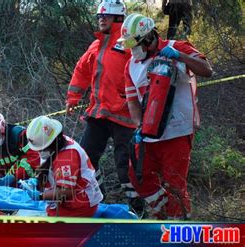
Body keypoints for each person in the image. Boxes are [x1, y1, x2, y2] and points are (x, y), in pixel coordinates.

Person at [118, 13, 212, 219]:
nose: (133, 51)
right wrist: (138, 126)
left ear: (149, 38)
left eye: (136, 44)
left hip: (177, 131)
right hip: (148, 132)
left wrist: (180, 56)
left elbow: (207, 70)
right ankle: (160, 214)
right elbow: (132, 101)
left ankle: (177, 228)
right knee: (137, 176)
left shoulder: (177, 47)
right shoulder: (131, 65)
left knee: (175, 184)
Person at [66, 0, 142, 212]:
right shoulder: (96, 45)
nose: (101, 19)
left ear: (118, 18)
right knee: (85, 158)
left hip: (124, 116)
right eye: (99, 16)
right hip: (98, 114)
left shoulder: (129, 42)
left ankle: (138, 208)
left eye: (105, 16)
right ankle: (97, 199)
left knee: (125, 167)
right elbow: (81, 71)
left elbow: (144, 69)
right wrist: (73, 97)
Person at [22, 116, 103, 217]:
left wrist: (39, 196)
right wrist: (37, 182)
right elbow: (49, 169)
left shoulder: (66, 157)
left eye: (40, 149)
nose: (39, 152)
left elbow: (66, 191)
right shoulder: (54, 145)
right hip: (65, 201)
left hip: (80, 205)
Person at [0, 111, 40, 187]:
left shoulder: (20, 135)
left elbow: (35, 158)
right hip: (9, 189)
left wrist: (14, 177)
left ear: (2, 125)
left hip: (31, 183)